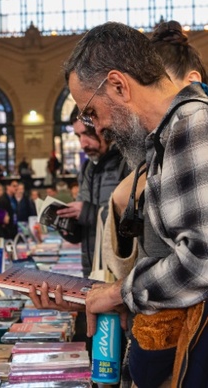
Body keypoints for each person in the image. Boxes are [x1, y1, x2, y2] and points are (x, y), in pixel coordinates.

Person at [59, 21, 208, 386]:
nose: (96, 127)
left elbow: (201, 260)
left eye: (90, 112)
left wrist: (117, 293)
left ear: (118, 85)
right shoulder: (165, 137)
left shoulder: (191, 126)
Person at [56, 106, 128, 277]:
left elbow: (133, 224)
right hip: (92, 270)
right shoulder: (88, 168)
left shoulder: (127, 163)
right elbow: (86, 227)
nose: (83, 144)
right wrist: (68, 226)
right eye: (78, 136)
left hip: (120, 273)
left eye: (87, 134)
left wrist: (87, 212)